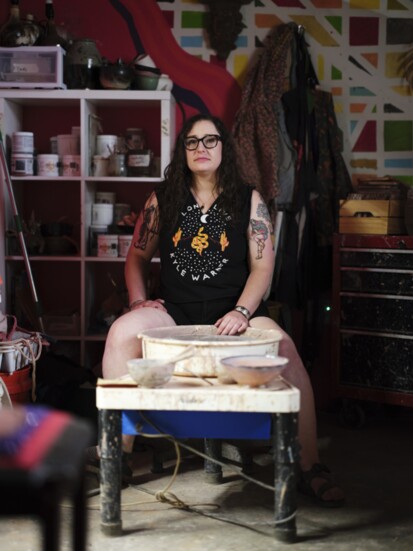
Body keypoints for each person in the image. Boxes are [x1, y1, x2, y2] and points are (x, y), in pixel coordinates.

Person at [95, 113, 344, 507]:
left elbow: (263, 267)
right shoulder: (163, 199)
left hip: (235, 312)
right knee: (122, 332)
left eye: (210, 141)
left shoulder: (250, 199)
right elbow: (136, 258)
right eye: (192, 142)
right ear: (183, 151)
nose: (201, 149)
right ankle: (120, 455)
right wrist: (137, 301)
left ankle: (308, 465)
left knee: (286, 348)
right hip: (174, 311)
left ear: (223, 147)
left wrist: (243, 312)